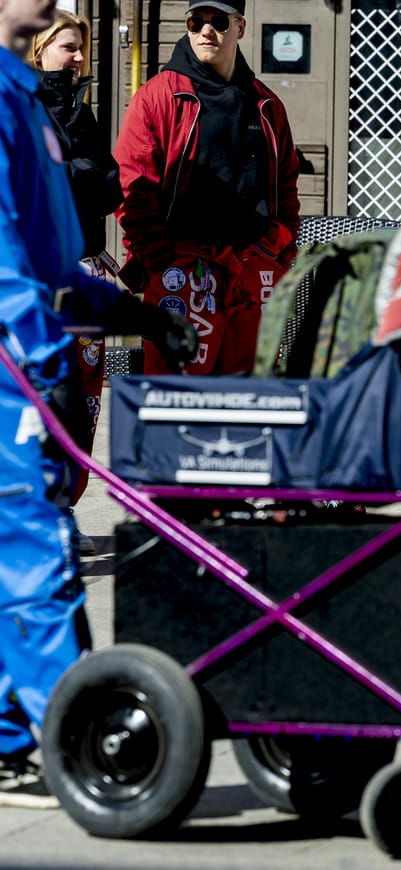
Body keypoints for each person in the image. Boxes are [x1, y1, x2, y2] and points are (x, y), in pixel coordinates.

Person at [0, 0, 196, 807]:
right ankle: (71, 737)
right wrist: (39, 364)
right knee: (35, 547)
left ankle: (14, 742)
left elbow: (51, 260)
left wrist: (136, 314)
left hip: (27, 351)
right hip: (14, 365)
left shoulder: (23, 98)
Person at [114, 0, 300, 375]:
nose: (205, 31)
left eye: (217, 21)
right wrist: (157, 258)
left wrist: (278, 253)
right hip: (181, 265)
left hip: (251, 267)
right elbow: (133, 185)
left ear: (241, 28)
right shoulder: (158, 97)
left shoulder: (266, 104)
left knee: (250, 393)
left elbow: (285, 186)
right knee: (175, 395)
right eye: (195, 21)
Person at [28, 10, 123, 554]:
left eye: (83, 48)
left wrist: (83, 174)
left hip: (86, 271)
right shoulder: (21, 106)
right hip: (38, 280)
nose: (80, 57)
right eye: (70, 47)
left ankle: (64, 512)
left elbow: (110, 189)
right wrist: (82, 174)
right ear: (41, 50)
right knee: (38, 402)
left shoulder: (80, 112)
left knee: (82, 402)